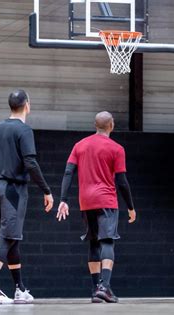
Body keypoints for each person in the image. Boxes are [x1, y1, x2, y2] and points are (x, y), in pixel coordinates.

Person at [0, 89, 54, 304]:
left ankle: (20, 289)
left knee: (11, 239)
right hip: (13, 190)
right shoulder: (24, 130)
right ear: (27, 105)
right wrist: (47, 190)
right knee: (9, 237)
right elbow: (30, 162)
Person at [56, 111, 136, 303]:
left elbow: (68, 172)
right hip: (106, 200)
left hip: (86, 201)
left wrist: (63, 199)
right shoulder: (117, 148)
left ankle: (95, 290)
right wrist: (131, 207)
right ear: (112, 126)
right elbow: (122, 181)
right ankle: (105, 287)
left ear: (95, 125)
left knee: (93, 243)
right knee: (107, 242)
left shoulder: (79, 145)